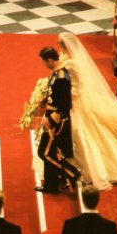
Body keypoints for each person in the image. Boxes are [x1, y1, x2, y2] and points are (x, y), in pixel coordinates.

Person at [57, 32, 117, 191]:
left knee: (83, 133)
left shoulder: (72, 64)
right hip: (78, 101)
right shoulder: (68, 60)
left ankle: (89, 169)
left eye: (61, 46)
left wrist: (67, 96)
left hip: (77, 102)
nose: (59, 49)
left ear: (66, 46)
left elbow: (77, 86)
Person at [34, 46, 81, 194]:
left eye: (43, 62)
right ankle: (51, 185)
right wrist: (45, 100)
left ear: (49, 60)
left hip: (57, 122)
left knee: (45, 153)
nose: (43, 65)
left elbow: (65, 105)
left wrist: (51, 120)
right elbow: (56, 95)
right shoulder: (57, 73)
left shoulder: (61, 78)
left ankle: (72, 174)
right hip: (52, 116)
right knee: (51, 151)